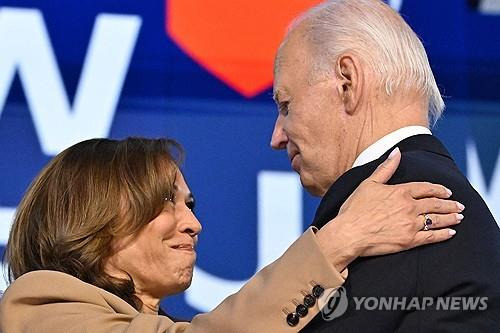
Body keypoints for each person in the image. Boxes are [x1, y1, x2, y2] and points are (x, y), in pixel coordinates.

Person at [0, 137, 462, 332]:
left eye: (191, 205)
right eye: (166, 200)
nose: (193, 223)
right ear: (91, 214)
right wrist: (339, 241)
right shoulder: (41, 306)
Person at [270, 0, 500, 331]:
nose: (276, 137)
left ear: (347, 82)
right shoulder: (458, 204)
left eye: (286, 105)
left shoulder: (385, 211)